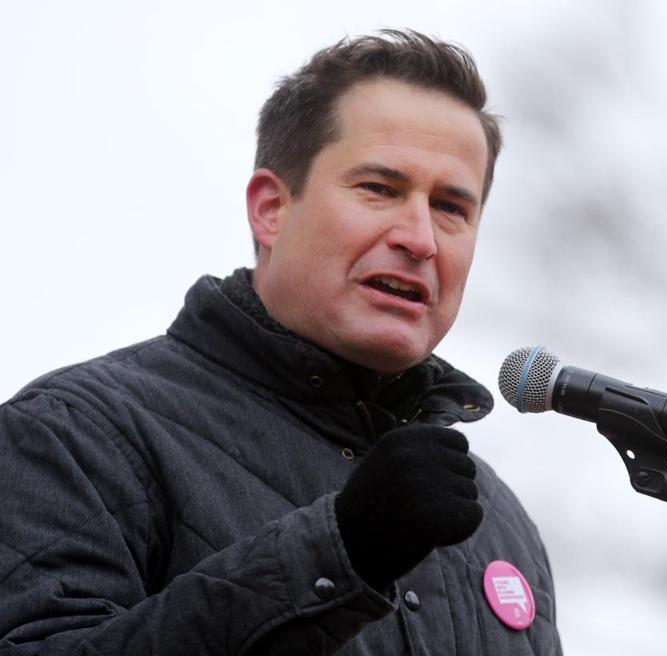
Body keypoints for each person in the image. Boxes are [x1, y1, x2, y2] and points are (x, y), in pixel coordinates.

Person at [0, 30, 562, 654]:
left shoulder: (501, 521)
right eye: (380, 189)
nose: (421, 238)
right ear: (271, 208)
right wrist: (342, 551)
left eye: (452, 207)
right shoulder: (73, 433)